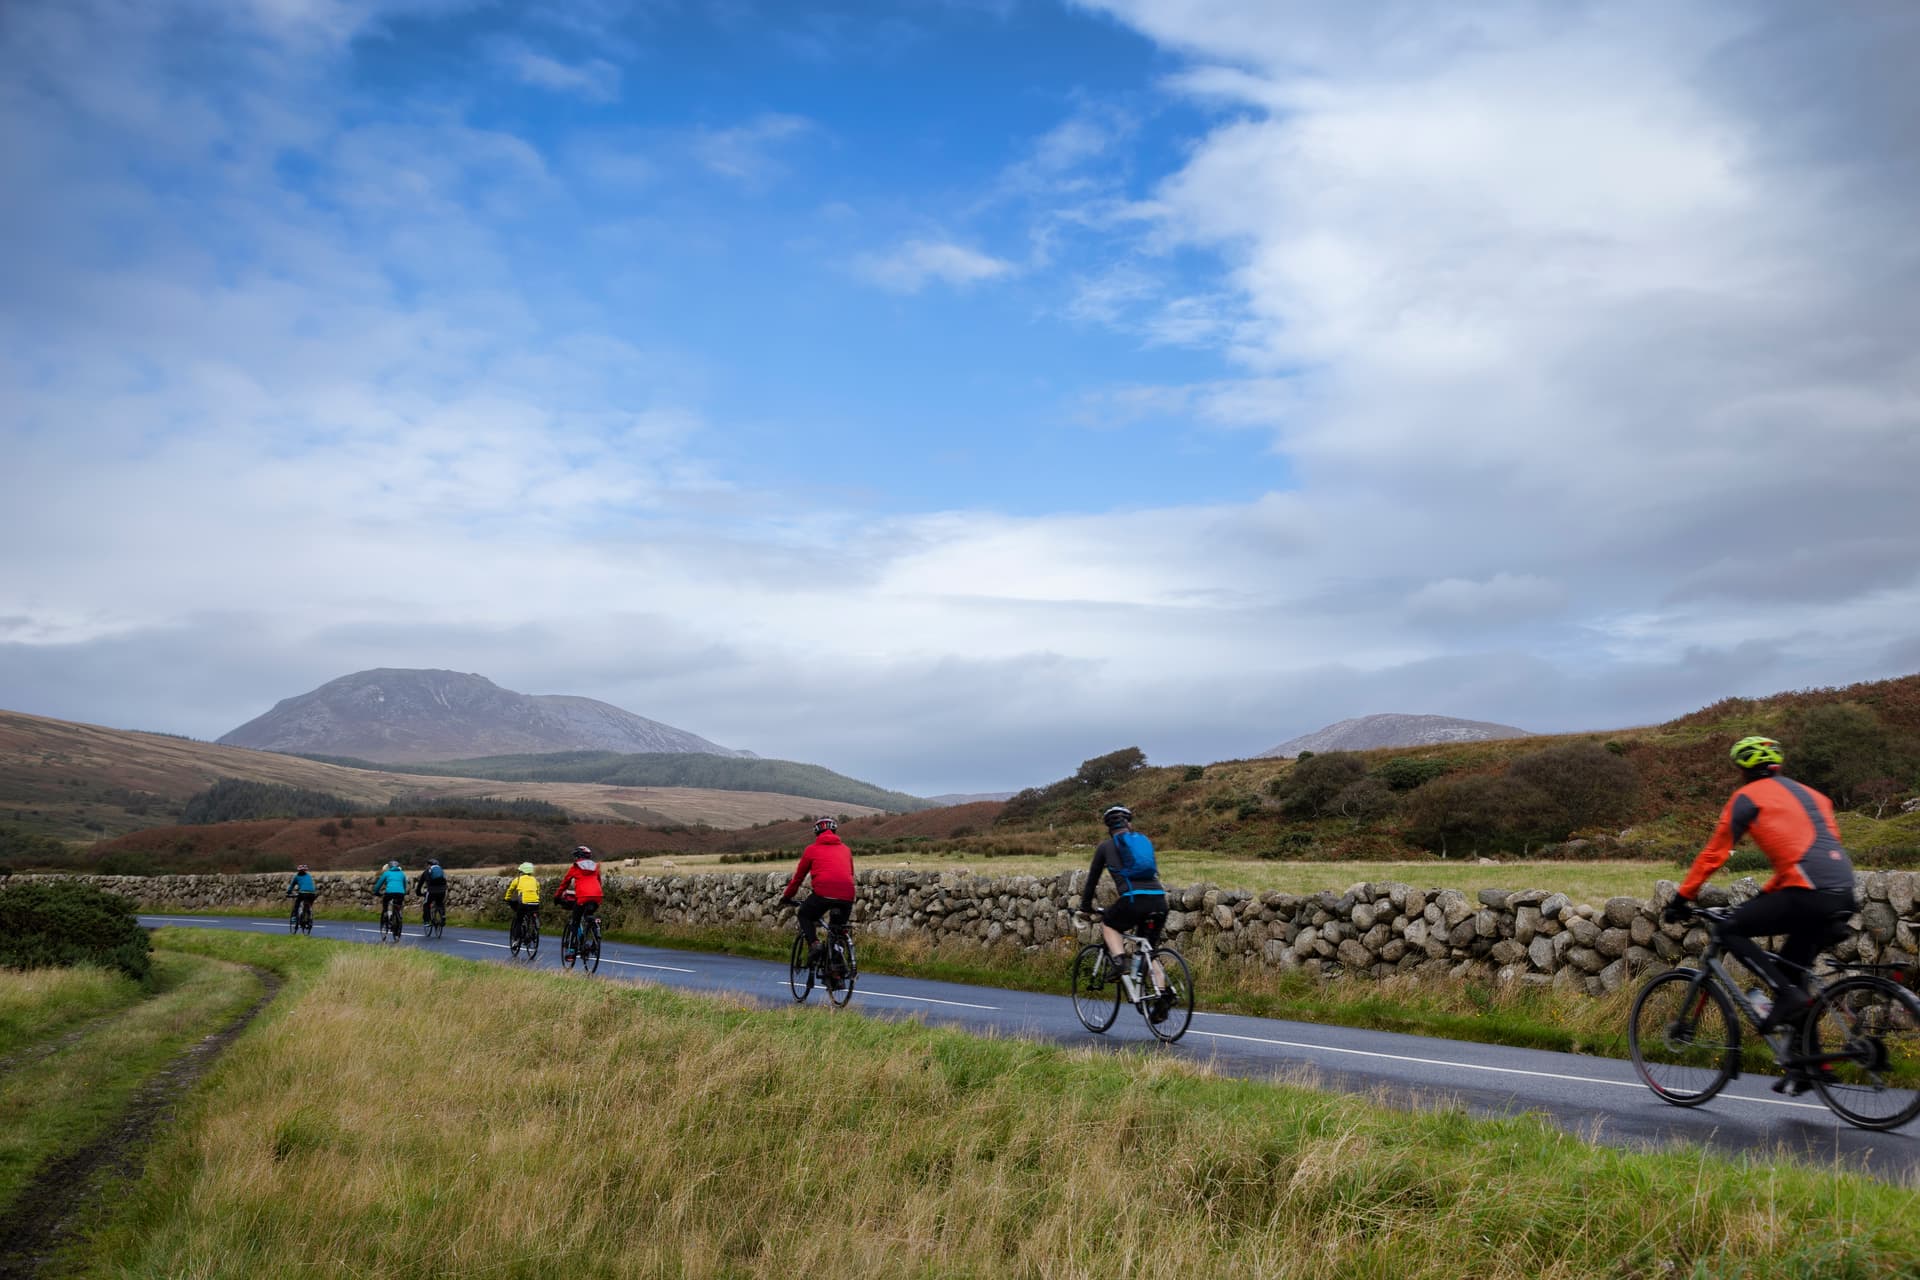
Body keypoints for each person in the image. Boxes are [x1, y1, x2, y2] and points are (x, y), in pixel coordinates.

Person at [1665, 736, 1857, 1091]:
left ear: (1743, 769)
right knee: (1791, 972)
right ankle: (1809, 1066)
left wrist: (1682, 897)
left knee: (1730, 930)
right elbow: (1805, 854)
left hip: (1807, 892)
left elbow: (1714, 854)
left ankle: (1784, 997)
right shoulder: (1815, 796)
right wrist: (1764, 895)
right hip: (1843, 892)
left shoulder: (1746, 798)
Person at [1078, 805, 1175, 1022]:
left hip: (1133, 900)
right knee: (1149, 951)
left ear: (1109, 828)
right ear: (1128, 824)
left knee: (1109, 924)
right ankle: (1162, 995)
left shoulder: (1105, 847)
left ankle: (1120, 961)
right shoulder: (1143, 842)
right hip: (1159, 900)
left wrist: (1085, 906)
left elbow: (1092, 879)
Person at [780, 818, 856, 971]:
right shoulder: (846, 849)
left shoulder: (811, 849)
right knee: (837, 930)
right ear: (834, 832)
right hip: (847, 894)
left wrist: (787, 896)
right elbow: (851, 873)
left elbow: (798, 878)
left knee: (804, 914)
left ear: (817, 834)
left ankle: (814, 944)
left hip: (823, 893)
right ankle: (837, 973)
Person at [556, 847, 604, 957]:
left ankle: (571, 950)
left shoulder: (575, 867)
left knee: (575, 921)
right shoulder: (595, 867)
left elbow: (565, 883)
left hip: (583, 897)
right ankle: (589, 940)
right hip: (597, 896)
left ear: (578, 857)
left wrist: (557, 896)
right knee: (588, 916)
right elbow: (599, 882)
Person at [504, 861, 541, 942]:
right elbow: (538, 891)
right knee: (532, 914)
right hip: (535, 903)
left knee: (519, 919)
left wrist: (507, 898)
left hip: (524, 903)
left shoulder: (518, 880)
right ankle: (534, 930)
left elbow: (510, 890)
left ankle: (516, 940)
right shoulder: (535, 880)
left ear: (522, 871)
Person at [372, 859, 408, 932]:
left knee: (385, 903)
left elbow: (379, 884)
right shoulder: (402, 874)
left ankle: (386, 915)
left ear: (389, 867)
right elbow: (404, 885)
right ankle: (399, 916)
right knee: (398, 905)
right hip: (400, 893)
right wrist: (403, 892)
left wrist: (376, 891)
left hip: (389, 893)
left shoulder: (387, 873)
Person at [414, 857, 448, 925]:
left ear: (429, 865)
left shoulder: (426, 872)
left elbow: (420, 884)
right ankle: (443, 915)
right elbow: (445, 881)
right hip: (442, 890)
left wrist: (418, 893)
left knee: (426, 904)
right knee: (440, 903)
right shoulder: (441, 871)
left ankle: (426, 921)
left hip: (431, 891)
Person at [285, 863, 316, 928]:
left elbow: (291, 886)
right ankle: (309, 918)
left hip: (303, 893)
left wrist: (288, 893)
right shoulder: (309, 876)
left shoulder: (297, 877)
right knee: (308, 904)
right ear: (305, 870)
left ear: (298, 870)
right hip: (312, 893)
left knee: (297, 903)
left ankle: (294, 917)